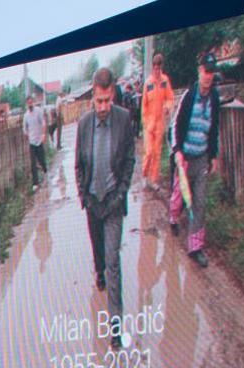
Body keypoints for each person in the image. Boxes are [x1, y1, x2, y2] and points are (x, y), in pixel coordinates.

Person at [73, 67, 137, 350]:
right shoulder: (84, 124)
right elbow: (78, 164)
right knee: (99, 254)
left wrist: (120, 193)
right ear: (92, 96)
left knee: (113, 260)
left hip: (112, 201)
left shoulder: (123, 120)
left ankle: (115, 327)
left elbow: (129, 162)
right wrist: (83, 194)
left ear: (112, 95)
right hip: (93, 203)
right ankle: (97, 272)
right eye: (98, 101)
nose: (102, 107)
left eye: (107, 101)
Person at [169, 52, 224, 268]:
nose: (208, 76)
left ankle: (195, 247)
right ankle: (173, 218)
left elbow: (215, 129)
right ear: (199, 71)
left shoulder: (215, 98)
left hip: (201, 157)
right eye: (205, 71)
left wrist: (213, 156)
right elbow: (175, 125)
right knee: (179, 196)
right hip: (185, 158)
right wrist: (177, 151)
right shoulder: (189, 96)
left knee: (199, 202)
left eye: (211, 72)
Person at [140, 53, 175, 190]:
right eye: (154, 68)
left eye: (159, 68)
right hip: (149, 125)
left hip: (160, 124)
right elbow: (144, 105)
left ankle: (154, 180)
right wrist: (145, 122)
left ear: (161, 67)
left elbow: (170, 98)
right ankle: (144, 175)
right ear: (152, 67)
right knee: (148, 152)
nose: (156, 71)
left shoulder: (165, 81)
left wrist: (167, 107)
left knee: (157, 153)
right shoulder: (148, 83)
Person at [23, 93, 48, 189]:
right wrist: (27, 135)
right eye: (28, 103)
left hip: (39, 140)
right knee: (33, 163)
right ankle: (35, 183)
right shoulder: (26, 116)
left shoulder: (38, 111)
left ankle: (45, 171)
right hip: (32, 142)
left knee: (41, 159)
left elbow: (43, 123)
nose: (30, 105)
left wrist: (43, 134)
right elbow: (24, 128)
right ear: (26, 104)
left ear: (33, 102)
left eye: (31, 102)